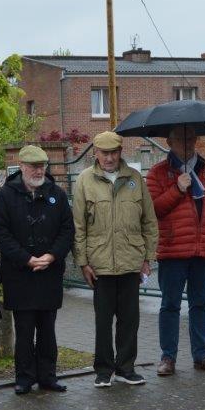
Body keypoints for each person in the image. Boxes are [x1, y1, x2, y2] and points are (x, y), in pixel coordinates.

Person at [72, 131, 157, 387]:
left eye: (114, 153)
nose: (109, 158)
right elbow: (79, 226)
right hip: (100, 264)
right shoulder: (85, 181)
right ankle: (103, 370)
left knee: (130, 320)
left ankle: (126, 368)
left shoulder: (135, 179)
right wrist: (83, 262)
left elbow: (149, 222)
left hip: (131, 260)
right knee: (103, 320)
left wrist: (148, 257)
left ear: (121, 152)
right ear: (95, 153)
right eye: (104, 153)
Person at [0, 145, 75, 395]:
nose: (39, 171)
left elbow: (67, 230)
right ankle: (25, 377)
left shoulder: (57, 194)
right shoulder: (6, 195)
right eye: (34, 166)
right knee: (25, 329)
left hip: (49, 273)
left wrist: (51, 255)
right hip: (20, 275)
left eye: (43, 166)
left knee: (47, 329)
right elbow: (1, 234)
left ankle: (48, 375)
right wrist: (27, 259)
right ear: (23, 167)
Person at [147, 125, 205, 376]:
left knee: (200, 304)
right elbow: (153, 210)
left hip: (203, 250)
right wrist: (176, 189)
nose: (187, 142)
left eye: (191, 137)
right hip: (173, 250)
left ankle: (201, 355)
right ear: (169, 141)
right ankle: (168, 358)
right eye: (181, 138)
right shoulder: (158, 173)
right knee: (170, 305)